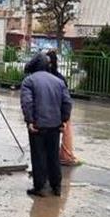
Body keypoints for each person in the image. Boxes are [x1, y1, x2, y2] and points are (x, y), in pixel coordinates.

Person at [20, 52, 73, 197]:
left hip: (38, 125)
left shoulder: (29, 81)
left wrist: (30, 120)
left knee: (38, 156)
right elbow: (67, 102)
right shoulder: (59, 81)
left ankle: (40, 187)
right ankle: (56, 187)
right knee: (53, 156)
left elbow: (27, 102)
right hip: (55, 125)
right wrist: (63, 120)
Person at [46, 50, 82, 167]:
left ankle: (54, 155)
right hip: (60, 110)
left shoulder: (40, 77)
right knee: (65, 131)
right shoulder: (60, 78)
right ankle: (66, 156)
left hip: (47, 112)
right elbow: (66, 99)